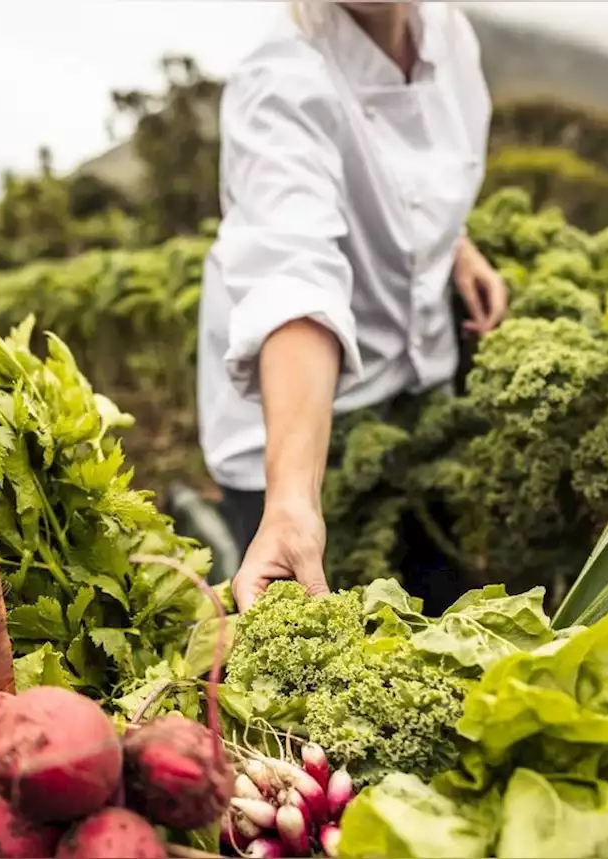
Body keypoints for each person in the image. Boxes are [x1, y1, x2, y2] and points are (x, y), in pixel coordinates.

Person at [196, 0, 508, 612]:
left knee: (434, 589)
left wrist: (455, 246)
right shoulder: (281, 76)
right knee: (315, 643)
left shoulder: (448, 36)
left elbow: (414, 175)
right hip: (293, 416)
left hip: (411, 385)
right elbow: (294, 273)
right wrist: (290, 500)